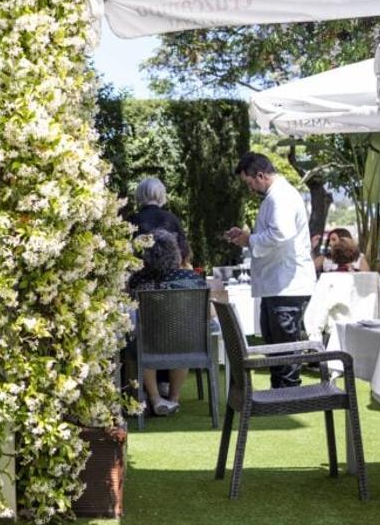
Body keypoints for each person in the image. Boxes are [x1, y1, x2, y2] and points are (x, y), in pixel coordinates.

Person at [224, 153, 316, 388]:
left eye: (250, 182)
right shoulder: (276, 197)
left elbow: (280, 234)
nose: (250, 188)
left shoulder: (280, 198)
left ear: (261, 175)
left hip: (286, 284)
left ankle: (288, 394)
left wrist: (249, 240)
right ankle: (281, 393)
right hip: (278, 284)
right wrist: (248, 237)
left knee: (284, 348)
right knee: (275, 347)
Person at [128, 230, 206, 415]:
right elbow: (208, 313)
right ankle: (174, 398)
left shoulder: (137, 280)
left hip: (149, 343)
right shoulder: (191, 279)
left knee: (140, 343)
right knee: (182, 339)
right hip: (184, 343)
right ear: (175, 252)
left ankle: (154, 398)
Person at [125, 177, 189, 259]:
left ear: (139, 193)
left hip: (142, 268)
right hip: (170, 268)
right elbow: (184, 249)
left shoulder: (133, 219)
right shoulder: (172, 219)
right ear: (162, 194)